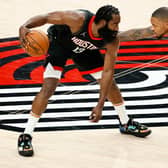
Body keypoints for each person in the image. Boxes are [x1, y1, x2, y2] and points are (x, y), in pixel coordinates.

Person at [18, 5, 151, 157]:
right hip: (60, 45)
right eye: (114, 24)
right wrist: (25, 26)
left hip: (85, 50)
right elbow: (46, 17)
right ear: (101, 22)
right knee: (49, 87)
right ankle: (26, 135)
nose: (117, 28)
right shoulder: (77, 19)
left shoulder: (111, 40)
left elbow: (108, 72)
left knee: (111, 84)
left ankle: (125, 122)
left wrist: (100, 105)